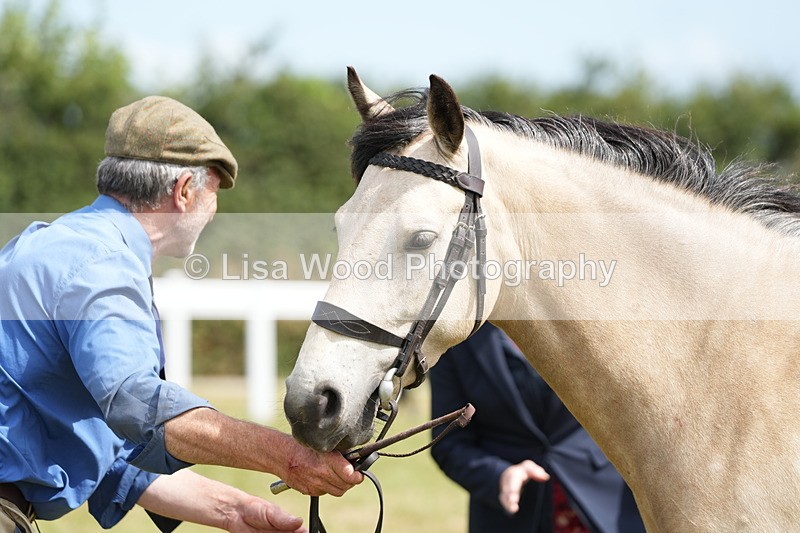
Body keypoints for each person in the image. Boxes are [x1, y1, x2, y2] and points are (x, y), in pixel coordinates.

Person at [0, 96, 362, 533]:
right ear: (185, 190)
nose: (214, 211)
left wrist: (235, 511)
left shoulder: (55, 243)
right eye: (214, 193)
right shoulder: (101, 264)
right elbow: (138, 405)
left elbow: (108, 454)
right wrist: (289, 458)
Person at [430, 323, 645, 533]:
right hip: (508, 517)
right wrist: (499, 475)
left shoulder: (588, 320)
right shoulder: (454, 339)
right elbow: (448, 444)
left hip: (605, 504)